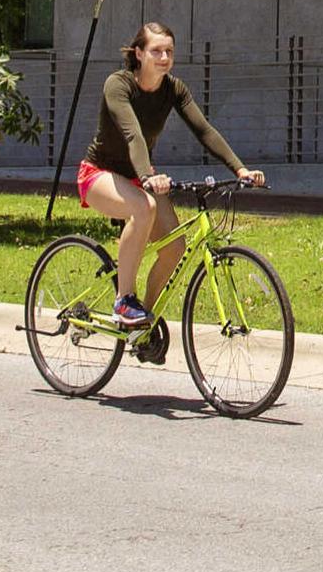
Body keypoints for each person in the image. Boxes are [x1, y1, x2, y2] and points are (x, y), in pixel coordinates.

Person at [76, 22, 265, 359]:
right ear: (138, 53)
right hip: (100, 174)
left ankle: (141, 325)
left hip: (141, 178)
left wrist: (240, 169)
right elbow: (133, 135)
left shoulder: (173, 89)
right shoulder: (118, 85)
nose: (163, 58)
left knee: (175, 247)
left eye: (169, 52)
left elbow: (204, 130)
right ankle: (124, 300)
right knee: (144, 206)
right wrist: (148, 176)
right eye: (156, 51)